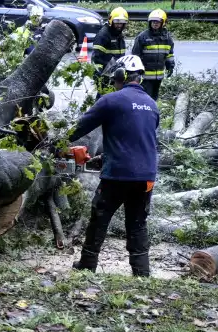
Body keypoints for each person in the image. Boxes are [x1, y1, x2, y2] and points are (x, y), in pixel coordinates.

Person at [68, 55, 160, 277]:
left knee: (99, 215)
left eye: (115, 78)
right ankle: (141, 272)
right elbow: (135, 139)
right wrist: (103, 157)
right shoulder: (152, 104)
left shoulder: (111, 100)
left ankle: (88, 264)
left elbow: (79, 128)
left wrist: (55, 143)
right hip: (146, 176)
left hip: (118, 174)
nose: (114, 82)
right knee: (138, 223)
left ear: (121, 75)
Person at [131, 9, 175, 100]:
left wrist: (170, 66)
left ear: (163, 23)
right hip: (144, 78)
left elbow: (169, 55)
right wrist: (136, 73)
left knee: (154, 99)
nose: (155, 23)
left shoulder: (167, 38)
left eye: (158, 22)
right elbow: (135, 56)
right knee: (145, 99)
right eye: (153, 21)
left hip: (158, 78)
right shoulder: (142, 37)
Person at [92, 7, 128, 93]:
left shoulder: (118, 35)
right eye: (117, 23)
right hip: (105, 75)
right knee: (103, 98)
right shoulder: (103, 35)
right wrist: (101, 75)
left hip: (116, 74)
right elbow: (96, 58)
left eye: (121, 23)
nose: (119, 25)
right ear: (111, 21)